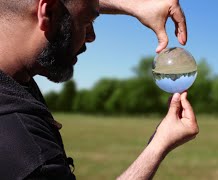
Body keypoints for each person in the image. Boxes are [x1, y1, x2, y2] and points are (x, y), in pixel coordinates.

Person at [0, 0, 199, 179]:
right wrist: (158, 146)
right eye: (87, 22)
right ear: (49, 13)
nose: (91, 37)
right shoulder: (26, 147)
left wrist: (135, 5)